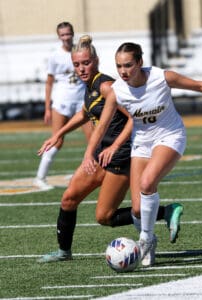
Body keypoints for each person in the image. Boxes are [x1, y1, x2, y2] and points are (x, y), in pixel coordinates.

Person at [81, 42, 202, 261]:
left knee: (147, 183)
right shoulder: (117, 91)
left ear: (140, 62)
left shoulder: (161, 77)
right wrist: (89, 153)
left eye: (128, 65)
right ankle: (151, 238)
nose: (123, 71)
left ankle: (145, 240)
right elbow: (102, 125)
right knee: (136, 209)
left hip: (170, 136)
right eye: (119, 66)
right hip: (141, 142)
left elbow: (198, 86)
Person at [37, 36, 183, 266]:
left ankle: (163, 214)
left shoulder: (106, 85)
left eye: (86, 63)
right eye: (76, 64)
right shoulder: (90, 86)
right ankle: (63, 251)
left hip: (121, 155)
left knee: (106, 215)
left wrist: (115, 146)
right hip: (101, 154)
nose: (81, 68)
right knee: (69, 200)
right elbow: (85, 113)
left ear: (95, 60)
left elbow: (132, 119)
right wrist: (59, 133)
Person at [33, 22, 91, 190]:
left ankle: (95, 175)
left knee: (93, 140)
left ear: (73, 34)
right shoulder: (55, 56)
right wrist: (47, 108)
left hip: (82, 102)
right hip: (62, 102)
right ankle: (40, 178)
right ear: (59, 37)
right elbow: (49, 83)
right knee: (57, 140)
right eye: (63, 35)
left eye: (68, 34)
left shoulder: (80, 52)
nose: (66, 37)